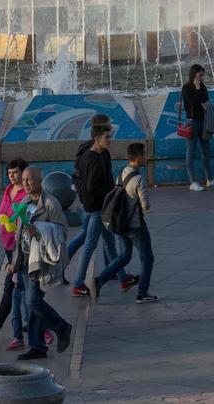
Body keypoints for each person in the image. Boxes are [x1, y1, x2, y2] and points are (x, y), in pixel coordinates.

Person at [0, 158, 47, 350]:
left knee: (15, 289)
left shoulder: (27, 197)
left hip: (20, 249)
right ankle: (16, 329)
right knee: (17, 290)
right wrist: (3, 220)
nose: (13, 176)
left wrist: (9, 222)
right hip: (9, 248)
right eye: (9, 173)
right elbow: (1, 212)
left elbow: (22, 221)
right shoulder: (9, 191)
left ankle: (39, 328)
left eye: (15, 173)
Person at [15, 165, 73, 361]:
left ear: (40, 181)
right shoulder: (24, 200)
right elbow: (20, 233)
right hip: (25, 258)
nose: (25, 183)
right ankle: (37, 345)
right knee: (33, 303)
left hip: (41, 261)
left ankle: (61, 327)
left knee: (32, 300)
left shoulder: (50, 203)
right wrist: (14, 261)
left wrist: (39, 230)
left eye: (29, 180)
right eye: (23, 180)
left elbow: (62, 231)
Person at [69, 120, 130, 296]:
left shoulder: (101, 154)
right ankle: (78, 283)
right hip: (97, 209)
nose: (110, 140)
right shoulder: (92, 159)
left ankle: (123, 278)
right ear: (97, 138)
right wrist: (108, 200)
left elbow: (105, 181)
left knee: (109, 243)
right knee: (89, 245)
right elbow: (90, 188)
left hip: (97, 207)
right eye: (107, 137)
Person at [92, 142, 157, 303]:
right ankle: (142, 293)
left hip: (121, 225)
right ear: (138, 157)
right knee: (147, 258)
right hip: (136, 226)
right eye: (144, 154)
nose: (146, 157)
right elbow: (145, 205)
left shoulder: (121, 173)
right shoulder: (139, 179)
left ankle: (98, 281)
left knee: (124, 257)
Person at [180, 64, 214, 191]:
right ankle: (193, 182)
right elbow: (193, 103)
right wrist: (197, 90)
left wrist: (200, 95)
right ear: (194, 75)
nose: (202, 78)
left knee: (206, 151)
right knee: (190, 151)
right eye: (200, 75)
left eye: (203, 75)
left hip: (204, 122)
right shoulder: (186, 88)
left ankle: (210, 179)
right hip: (192, 123)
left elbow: (205, 102)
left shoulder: (203, 87)